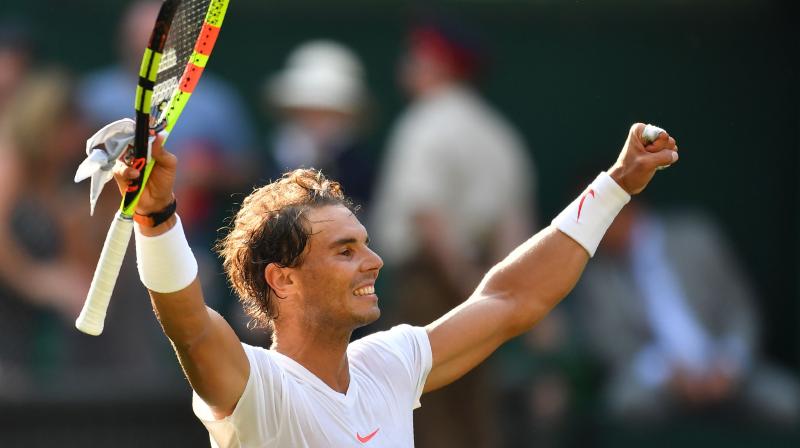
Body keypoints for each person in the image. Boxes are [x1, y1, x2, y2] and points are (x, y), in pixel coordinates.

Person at [109, 117, 677, 446]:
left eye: (366, 242)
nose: (374, 260)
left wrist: (616, 185)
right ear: (282, 280)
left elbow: (511, 298)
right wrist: (156, 219)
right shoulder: (257, 387)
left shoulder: (390, 364)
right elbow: (187, 322)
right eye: (345, 250)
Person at [369, 20, 537, 447]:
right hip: (484, 286)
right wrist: (493, 291)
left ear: (439, 65)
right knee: (475, 405)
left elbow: (427, 216)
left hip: (430, 284)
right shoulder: (499, 133)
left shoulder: (425, 122)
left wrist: (463, 278)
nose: (408, 64)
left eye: (418, 55)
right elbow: (512, 227)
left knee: (424, 407)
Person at [574, 202, 800, 426]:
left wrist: (729, 365)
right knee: (623, 403)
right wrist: (664, 372)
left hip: (727, 370)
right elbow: (611, 343)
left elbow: (741, 310)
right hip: (662, 384)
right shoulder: (597, 277)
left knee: (788, 400)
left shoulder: (696, 237)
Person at [264, 39, 376, 212]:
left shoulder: (357, 166)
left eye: (324, 113)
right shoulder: (278, 155)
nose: (313, 120)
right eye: (306, 111)